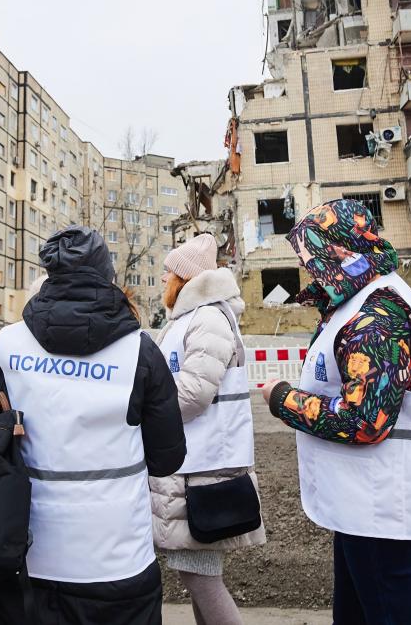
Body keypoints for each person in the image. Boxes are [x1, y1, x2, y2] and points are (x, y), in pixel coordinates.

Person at [260, 199, 411, 625]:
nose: (310, 269)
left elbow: (364, 419)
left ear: (341, 252)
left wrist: (284, 399)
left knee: (385, 612)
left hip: (383, 506)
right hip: (367, 502)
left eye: (314, 257)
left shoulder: (377, 313)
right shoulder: (365, 298)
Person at [0, 226, 185, 625]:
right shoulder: (139, 351)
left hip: (25, 555)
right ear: (107, 274)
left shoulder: (8, 345)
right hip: (116, 558)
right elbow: (168, 458)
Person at [150, 234, 264, 625]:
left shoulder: (207, 319)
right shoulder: (193, 319)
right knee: (198, 573)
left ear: (184, 279)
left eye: (169, 271)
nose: (163, 277)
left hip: (203, 470)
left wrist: (149, 416)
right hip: (197, 465)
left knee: (200, 576)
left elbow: (194, 393)